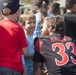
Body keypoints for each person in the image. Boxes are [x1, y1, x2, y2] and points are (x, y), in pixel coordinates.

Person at [0, 0, 28, 75]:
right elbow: (25, 52)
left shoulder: (1, 26)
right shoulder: (18, 28)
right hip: (14, 67)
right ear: (16, 11)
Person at [20, 10, 36, 75]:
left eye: (34, 22)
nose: (32, 25)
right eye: (29, 23)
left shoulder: (34, 36)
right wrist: (36, 55)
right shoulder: (24, 37)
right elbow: (23, 55)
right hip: (26, 69)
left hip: (34, 67)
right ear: (23, 24)